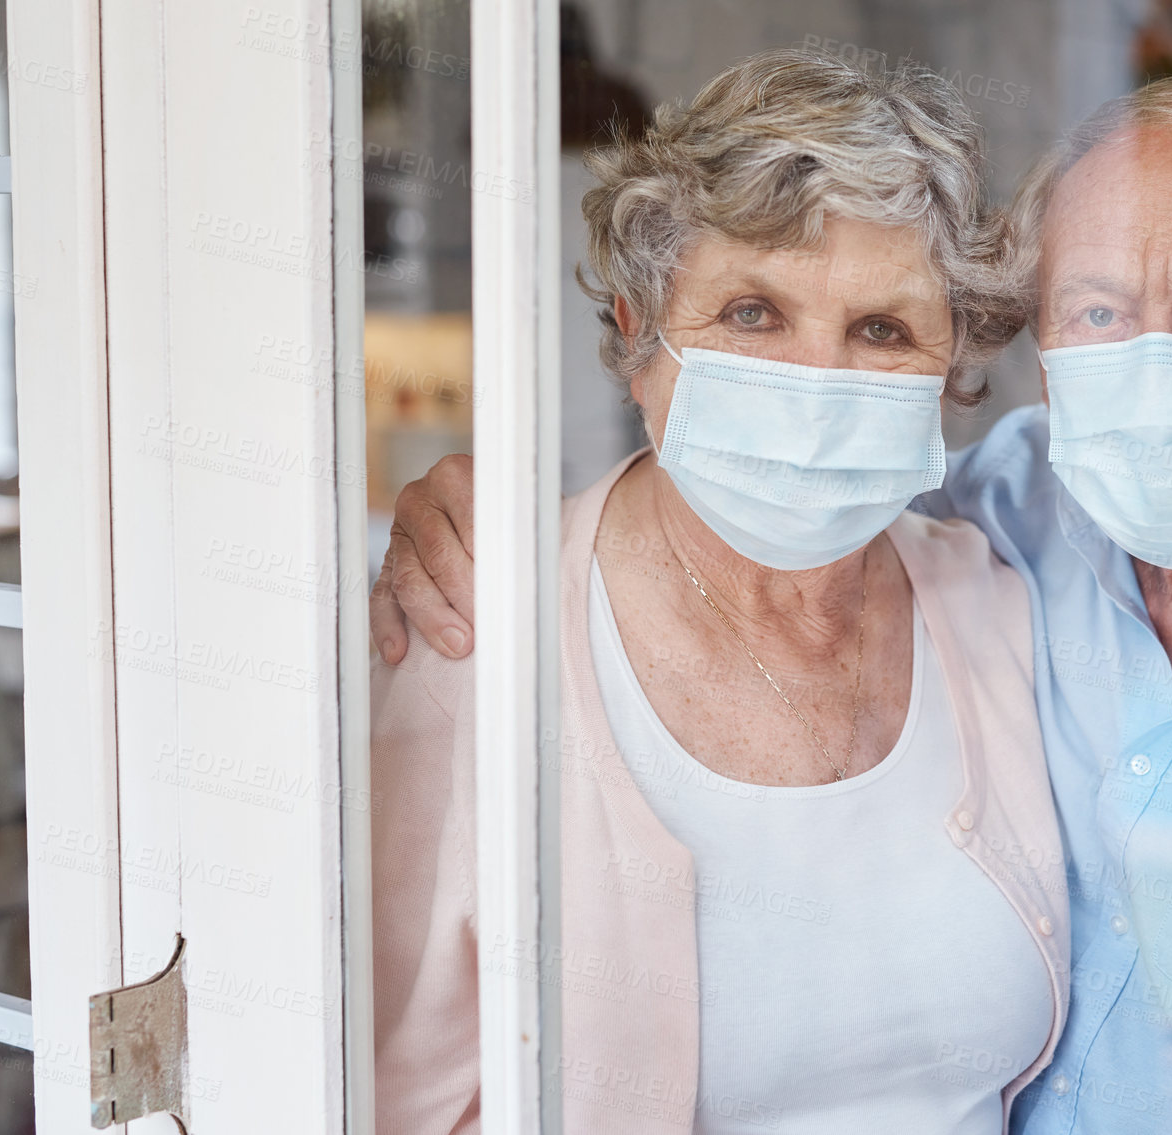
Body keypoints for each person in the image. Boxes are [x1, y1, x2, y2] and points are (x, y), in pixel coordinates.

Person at [376, 71, 1172, 1134]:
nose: (815, 392)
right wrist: (441, 509)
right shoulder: (1009, 524)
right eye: (1101, 311)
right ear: (639, 334)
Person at [371, 50, 1070, 1135]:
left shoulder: (999, 610)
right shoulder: (481, 628)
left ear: (952, 368)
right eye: (752, 313)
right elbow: (385, 1093)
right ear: (638, 326)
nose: (815, 383)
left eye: (882, 329)